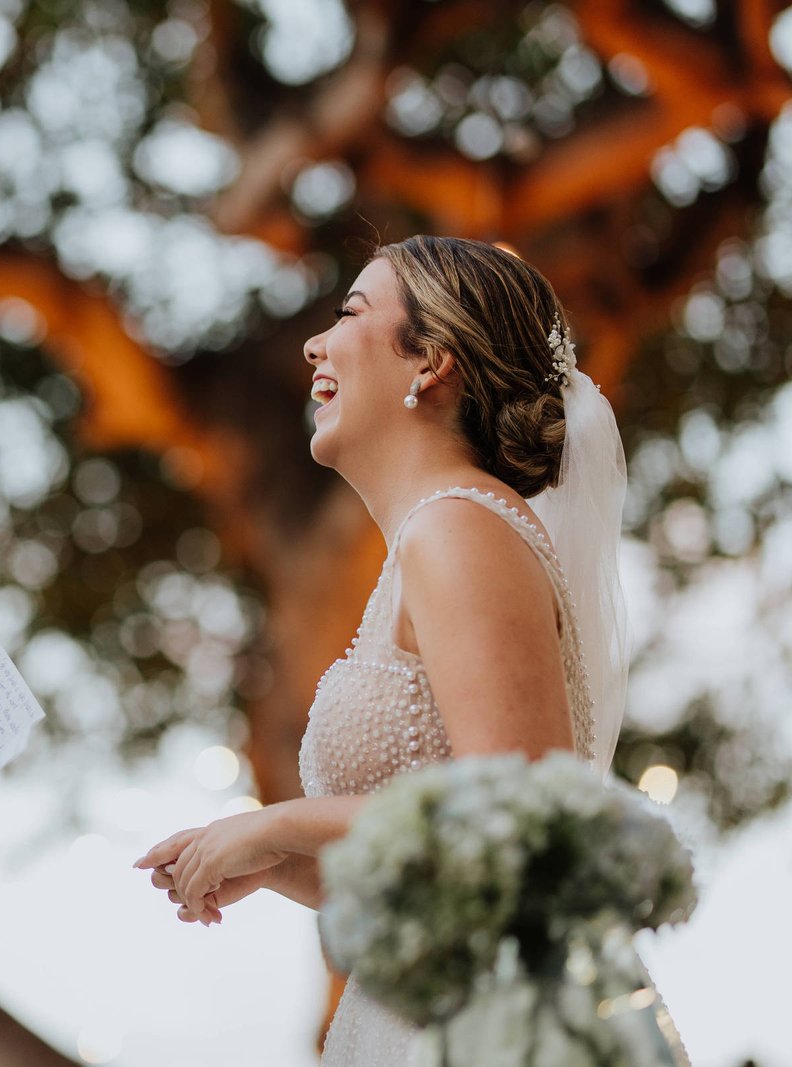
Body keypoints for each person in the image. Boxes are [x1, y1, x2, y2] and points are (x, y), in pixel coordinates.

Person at [136, 236, 637, 1063]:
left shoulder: (459, 529)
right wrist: (285, 863)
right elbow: (450, 876)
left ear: (431, 362)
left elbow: (522, 822)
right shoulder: (431, 540)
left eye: (350, 313)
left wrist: (278, 821)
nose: (313, 343)